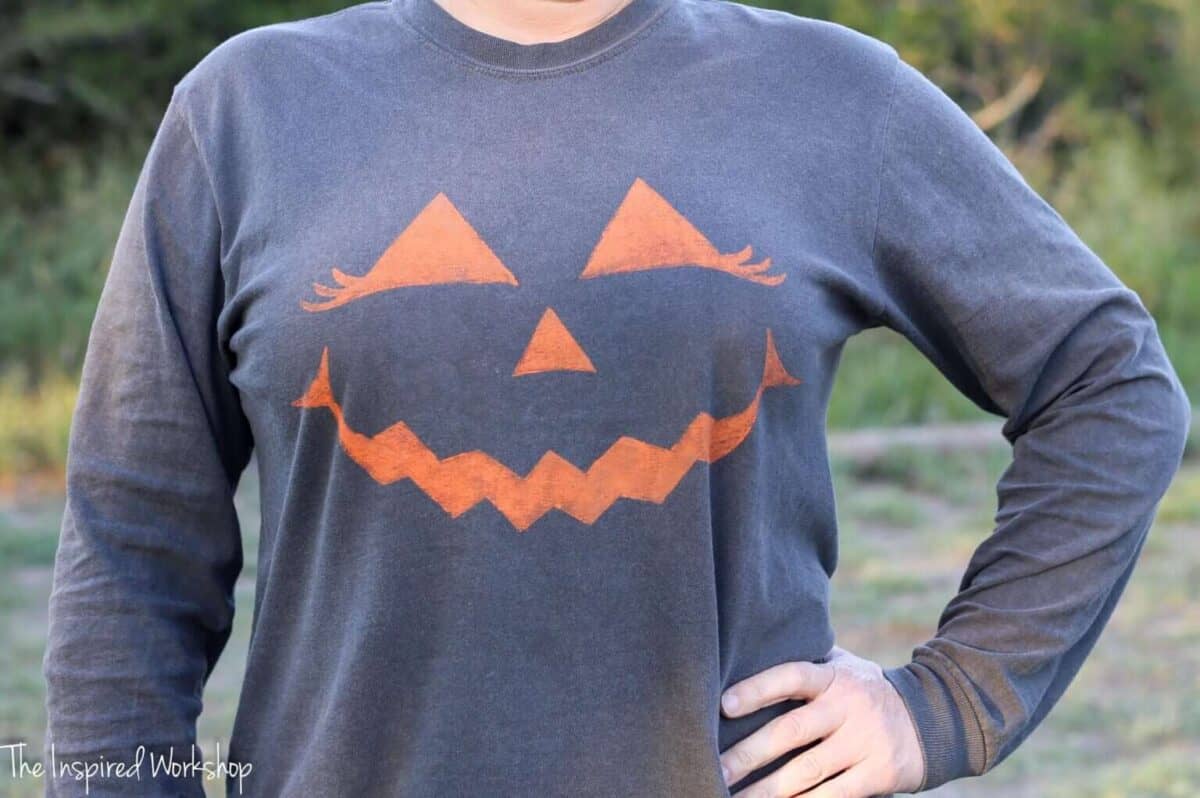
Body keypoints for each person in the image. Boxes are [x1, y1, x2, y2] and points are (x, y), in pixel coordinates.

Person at [41, 0, 1191, 795]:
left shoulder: (833, 99)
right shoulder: (245, 112)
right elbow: (131, 537)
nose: (548, 346)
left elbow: (1110, 384)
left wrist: (947, 702)